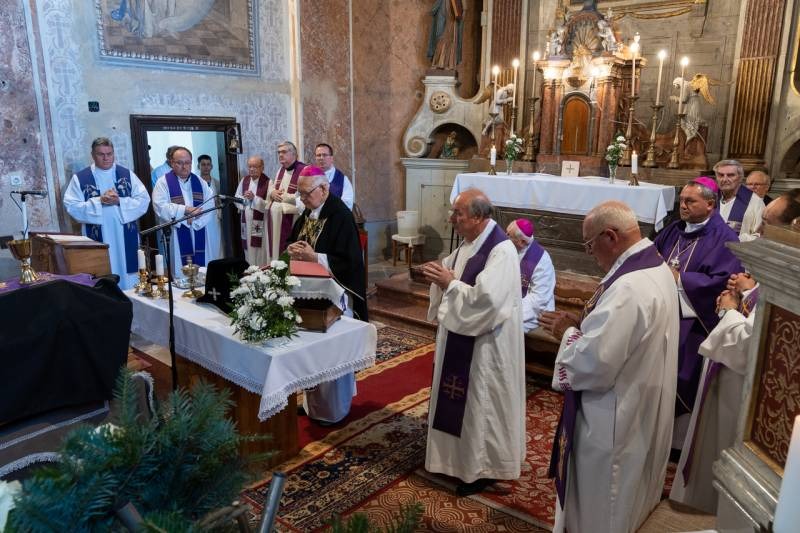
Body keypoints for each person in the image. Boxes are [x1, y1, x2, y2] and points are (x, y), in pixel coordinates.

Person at [539, 200, 679, 533]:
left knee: (605, 501)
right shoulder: (657, 268)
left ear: (611, 236)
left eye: (589, 244)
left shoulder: (628, 288)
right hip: (642, 400)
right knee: (632, 492)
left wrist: (567, 333)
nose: (589, 253)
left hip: (614, 416)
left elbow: (595, 363)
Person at [419, 188, 526, 497]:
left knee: (481, 405)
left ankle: (482, 468)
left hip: (486, 346)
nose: (451, 218)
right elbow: (453, 274)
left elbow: (487, 301)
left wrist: (449, 283)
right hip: (461, 336)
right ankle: (453, 461)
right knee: (462, 404)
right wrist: (439, 275)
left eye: (458, 213)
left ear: (478, 217)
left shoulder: (501, 251)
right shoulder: (469, 243)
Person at [653, 177, 743, 447]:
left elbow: (722, 282)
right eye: (681, 200)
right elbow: (651, 256)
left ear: (710, 204)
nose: (683, 206)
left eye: (690, 201)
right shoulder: (674, 229)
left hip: (692, 323)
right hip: (660, 313)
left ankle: (675, 444)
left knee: (680, 376)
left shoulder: (726, 239)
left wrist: (680, 279)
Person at [670, 272, 759, 513]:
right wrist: (748, 291)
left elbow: (748, 345)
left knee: (714, 460)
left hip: (736, 391)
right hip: (727, 382)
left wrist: (729, 310)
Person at [286, 166, 367, 425]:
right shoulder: (308, 213)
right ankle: (312, 404)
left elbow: (349, 262)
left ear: (323, 189)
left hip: (334, 296)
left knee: (331, 351)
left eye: (306, 194)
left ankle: (334, 410)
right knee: (311, 349)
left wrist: (315, 257)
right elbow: (294, 240)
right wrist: (291, 248)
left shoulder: (340, 216)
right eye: (300, 194)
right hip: (309, 291)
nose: (302, 199)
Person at [64, 137, 150, 290]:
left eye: (109, 154)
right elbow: (71, 206)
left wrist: (120, 201)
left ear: (113, 153)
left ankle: (131, 299)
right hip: (97, 236)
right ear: (93, 155)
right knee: (101, 272)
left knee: (128, 275)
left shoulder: (127, 174)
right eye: (101, 154)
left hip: (124, 236)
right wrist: (99, 201)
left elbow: (144, 200)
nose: (106, 158)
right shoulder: (80, 178)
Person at [152, 147, 218, 278]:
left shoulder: (200, 182)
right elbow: (160, 206)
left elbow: (210, 204)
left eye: (187, 163)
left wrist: (196, 221)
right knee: (180, 273)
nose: (184, 166)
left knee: (201, 273)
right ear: (172, 163)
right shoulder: (163, 182)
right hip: (177, 232)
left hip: (199, 229)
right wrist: (185, 211)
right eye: (180, 163)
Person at [505, 218, 555, 332]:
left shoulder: (541, 260)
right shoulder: (509, 249)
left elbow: (538, 299)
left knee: (504, 328)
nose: (505, 237)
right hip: (511, 303)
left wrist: (511, 312)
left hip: (534, 312)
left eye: (509, 235)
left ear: (522, 242)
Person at [265, 141, 306, 259]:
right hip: (276, 219)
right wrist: (272, 192)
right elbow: (273, 187)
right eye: (279, 152)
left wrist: (284, 197)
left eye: (283, 152)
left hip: (293, 219)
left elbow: (303, 197)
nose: (280, 155)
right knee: (276, 249)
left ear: (294, 154)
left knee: (288, 251)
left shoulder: (303, 170)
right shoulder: (281, 170)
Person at [714, 159, 765, 241]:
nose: (724, 179)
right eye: (721, 175)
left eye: (730, 175)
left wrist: (736, 240)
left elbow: (760, 235)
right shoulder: (711, 198)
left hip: (737, 247)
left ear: (740, 178)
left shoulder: (755, 202)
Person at [235, 156, 271, 266]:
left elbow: (268, 205)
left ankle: (260, 271)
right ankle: (249, 271)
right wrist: (244, 199)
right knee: (248, 250)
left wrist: (254, 198)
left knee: (259, 250)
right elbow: (236, 198)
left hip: (259, 223)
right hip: (246, 222)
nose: (251, 169)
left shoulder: (268, 182)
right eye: (250, 166)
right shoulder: (244, 180)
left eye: (255, 167)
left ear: (262, 168)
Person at [312, 143, 354, 210]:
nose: (321, 158)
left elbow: (347, 205)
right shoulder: (310, 177)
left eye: (324, 155)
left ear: (331, 158)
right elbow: (301, 200)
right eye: (318, 155)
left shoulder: (343, 180)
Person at [197, 154, 222, 261]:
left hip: (214, 219)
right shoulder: (195, 182)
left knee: (216, 242)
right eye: (203, 164)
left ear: (211, 166)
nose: (206, 167)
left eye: (208, 164)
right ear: (198, 166)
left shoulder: (217, 183)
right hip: (200, 218)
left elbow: (220, 201)